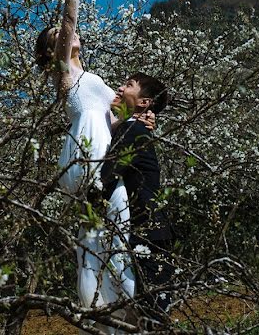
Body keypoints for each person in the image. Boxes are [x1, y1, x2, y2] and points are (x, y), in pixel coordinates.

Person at [36, 0, 147, 333]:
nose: (67, 34)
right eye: (58, 37)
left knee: (101, 240)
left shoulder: (89, 78)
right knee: (109, 237)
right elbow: (68, 22)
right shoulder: (64, 75)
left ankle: (112, 318)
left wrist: (137, 120)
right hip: (89, 158)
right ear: (54, 51)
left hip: (102, 150)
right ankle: (123, 316)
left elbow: (110, 120)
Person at [101, 73, 175, 329]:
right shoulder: (133, 127)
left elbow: (107, 174)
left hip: (148, 235)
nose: (120, 87)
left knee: (150, 315)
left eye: (129, 85)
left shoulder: (133, 129)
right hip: (149, 233)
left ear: (144, 103)